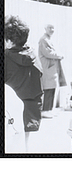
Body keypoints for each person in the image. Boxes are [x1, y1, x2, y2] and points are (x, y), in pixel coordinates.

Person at [4, 15, 43, 151]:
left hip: (11, 116)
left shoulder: (6, 58)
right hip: (32, 110)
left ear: (9, 41)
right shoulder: (33, 56)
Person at [38, 24, 66, 118]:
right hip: (48, 68)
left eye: (53, 28)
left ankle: (50, 109)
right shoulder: (43, 40)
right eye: (50, 28)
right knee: (48, 89)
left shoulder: (48, 39)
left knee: (53, 88)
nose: (52, 30)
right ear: (45, 28)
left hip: (52, 68)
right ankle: (45, 110)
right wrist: (59, 55)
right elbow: (47, 53)